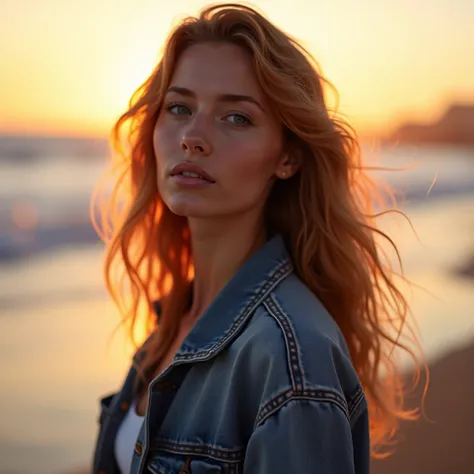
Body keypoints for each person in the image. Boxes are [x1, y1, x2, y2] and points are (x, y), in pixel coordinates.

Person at [91, 3, 422, 474]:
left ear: (287, 157)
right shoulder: (176, 319)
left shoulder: (291, 360)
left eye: (236, 118)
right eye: (180, 107)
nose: (193, 137)